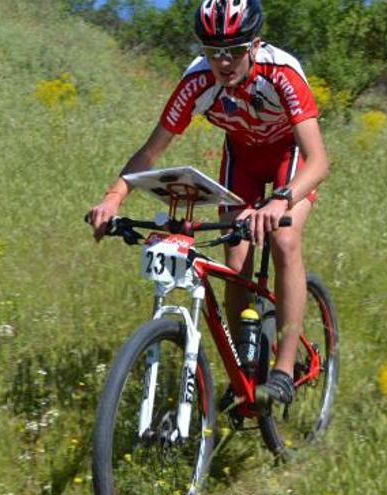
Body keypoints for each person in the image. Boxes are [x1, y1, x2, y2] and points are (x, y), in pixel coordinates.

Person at [86, 0, 329, 405]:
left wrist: (279, 202)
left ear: (255, 45)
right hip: (242, 160)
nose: (223, 61)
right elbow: (149, 153)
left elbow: (319, 160)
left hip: (292, 158)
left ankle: (284, 370)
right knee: (235, 266)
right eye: (212, 50)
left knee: (284, 242)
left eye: (234, 50)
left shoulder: (281, 73)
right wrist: (113, 197)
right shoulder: (196, 82)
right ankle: (244, 372)